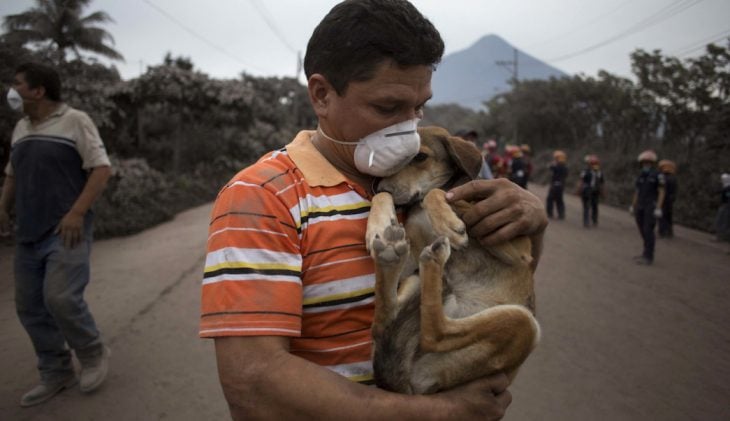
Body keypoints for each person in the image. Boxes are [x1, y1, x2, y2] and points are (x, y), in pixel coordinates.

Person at [199, 1, 548, 419]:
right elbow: (252, 382)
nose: (408, 129)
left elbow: (490, 286)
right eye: (387, 109)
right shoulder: (262, 198)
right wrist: (438, 412)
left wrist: (530, 223)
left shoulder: (429, 174)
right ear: (322, 95)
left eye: (419, 107)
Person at [0, 62, 112, 407]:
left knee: (61, 298)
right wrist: (2, 207)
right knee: (29, 306)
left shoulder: (74, 120)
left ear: (38, 90)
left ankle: (93, 354)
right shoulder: (21, 127)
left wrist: (77, 213)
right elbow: (13, 174)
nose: (12, 90)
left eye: (18, 83)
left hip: (66, 229)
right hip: (28, 231)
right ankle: (56, 371)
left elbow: (101, 168)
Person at [629, 150, 665, 265]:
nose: (646, 164)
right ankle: (645, 252)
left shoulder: (658, 175)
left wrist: (659, 207)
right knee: (641, 227)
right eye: (644, 162)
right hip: (640, 204)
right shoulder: (641, 175)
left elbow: (662, 191)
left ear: (652, 163)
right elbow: (637, 191)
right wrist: (632, 205)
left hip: (651, 205)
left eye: (648, 163)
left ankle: (649, 256)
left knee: (648, 229)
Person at [577, 154, 604, 227]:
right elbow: (601, 184)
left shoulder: (585, 171)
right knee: (594, 206)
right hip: (594, 191)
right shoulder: (599, 172)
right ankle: (594, 221)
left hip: (588, 191)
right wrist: (602, 192)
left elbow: (581, 181)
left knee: (587, 207)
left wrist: (579, 190)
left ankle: (587, 222)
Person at [657, 159, 677, 238]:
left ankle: (662, 231)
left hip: (664, 199)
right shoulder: (674, 178)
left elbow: (661, 189)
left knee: (662, 215)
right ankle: (669, 231)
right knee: (669, 215)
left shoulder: (662, 177)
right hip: (671, 198)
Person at [546, 150, 568, 219]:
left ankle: (550, 213)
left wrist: (554, 162)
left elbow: (549, 166)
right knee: (560, 200)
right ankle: (561, 214)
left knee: (550, 199)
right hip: (561, 186)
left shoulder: (555, 166)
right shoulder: (565, 168)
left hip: (554, 185)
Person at [714, 173, 730, 242]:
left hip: (726, 206)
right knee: (720, 220)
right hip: (724, 205)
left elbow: (728, 196)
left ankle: (721, 237)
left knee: (722, 221)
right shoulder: (725, 187)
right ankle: (719, 236)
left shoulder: (728, 188)